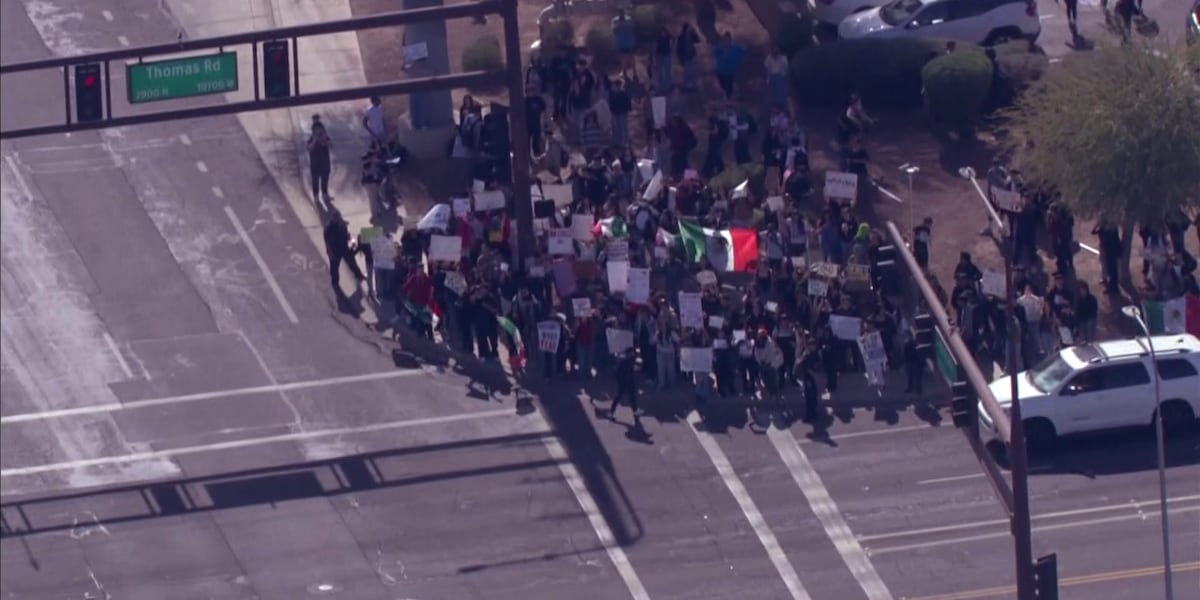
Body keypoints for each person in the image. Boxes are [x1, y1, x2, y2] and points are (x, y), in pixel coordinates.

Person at [323, 211, 366, 293]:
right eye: (337, 218)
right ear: (334, 219)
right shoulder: (329, 228)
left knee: (352, 262)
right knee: (334, 268)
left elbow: (346, 234)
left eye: (339, 218)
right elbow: (327, 241)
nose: (339, 220)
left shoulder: (342, 224)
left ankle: (359, 275)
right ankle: (335, 282)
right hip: (334, 250)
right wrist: (329, 252)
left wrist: (350, 239)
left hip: (344, 247)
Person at [307, 115, 333, 203]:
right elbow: (309, 148)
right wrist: (315, 140)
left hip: (325, 163)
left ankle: (325, 194)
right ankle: (316, 196)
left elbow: (331, 144)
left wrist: (324, 139)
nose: (318, 131)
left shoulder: (325, 138)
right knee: (315, 180)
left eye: (320, 129)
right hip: (315, 164)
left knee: (325, 179)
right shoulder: (311, 139)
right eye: (316, 130)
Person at [713, 33, 744, 99]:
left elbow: (744, 53)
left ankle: (728, 98)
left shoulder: (736, 49)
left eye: (727, 40)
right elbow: (715, 57)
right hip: (720, 72)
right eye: (724, 40)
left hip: (731, 72)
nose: (725, 42)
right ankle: (727, 97)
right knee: (722, 85)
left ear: (730, 40)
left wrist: (739, 64)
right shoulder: (718, 49)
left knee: (729, 87)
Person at [612, 347, 639, 419]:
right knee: (620, 397)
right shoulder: (625, 362)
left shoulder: (628, 361)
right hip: (624, 383)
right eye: (632, 353)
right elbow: (621, 373)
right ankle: (611, 412)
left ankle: (635, 411)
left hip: (628, 382)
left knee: (631, 396)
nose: (633, 354)